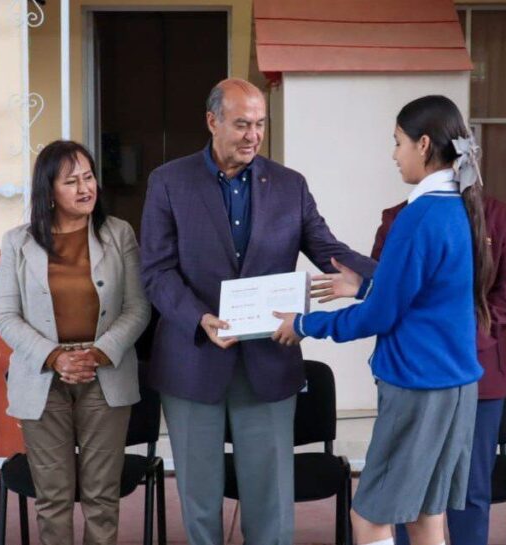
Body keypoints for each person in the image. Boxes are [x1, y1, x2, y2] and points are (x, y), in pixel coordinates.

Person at [139, 78, 377, 544]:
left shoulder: (290, 186)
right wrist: (200, 319)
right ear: (212, 122)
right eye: (242, 124)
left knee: (271, 503)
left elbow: (329, 249)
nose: (253, 135)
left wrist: (388, 280)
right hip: (192, 358)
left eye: (260, 124)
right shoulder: (168, 182)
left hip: (268, 359)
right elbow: (156, 271)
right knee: (200, 501)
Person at [274, 95, 491, 545]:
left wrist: (305, 325)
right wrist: (366, 287)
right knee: (426, 518)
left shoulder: (419, 216)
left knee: (369, 517)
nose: (394, 155)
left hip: (417, 386)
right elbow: (425, 299)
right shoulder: (459, 209)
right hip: (455, 386)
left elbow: (380, 316)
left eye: (398, 143)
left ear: (424, 144)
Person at [0, 140, 150, 545]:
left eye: (89, 177)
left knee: (101, 495)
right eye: (71, 181)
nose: (85, 188)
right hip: (42, 378)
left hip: (105, 374)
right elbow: (5, 316)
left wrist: (97, 353)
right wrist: (55, 357)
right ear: (49, 191)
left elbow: (138, 307)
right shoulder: (18, 242)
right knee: (53, 497)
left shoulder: (118, 233)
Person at [373, 195, 506, 545]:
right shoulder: (398, 216)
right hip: (410, 373)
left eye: (401, 144)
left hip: (479, 372)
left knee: (470, 490)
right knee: (401, 486)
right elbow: (382, 290)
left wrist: (456, 339)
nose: (397, 156)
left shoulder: (498, 215)